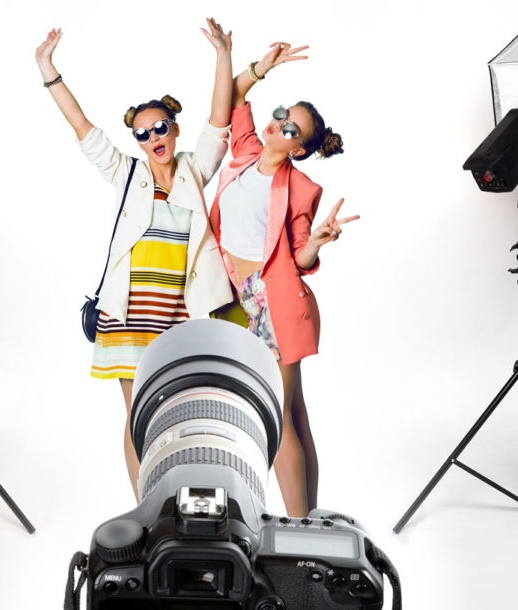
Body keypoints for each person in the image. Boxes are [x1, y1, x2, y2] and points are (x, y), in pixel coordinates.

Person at [35, 19, 235, 500]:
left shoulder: (194, 170)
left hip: (180, 314)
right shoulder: (127, 174)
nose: (153, 138)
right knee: (139, 415)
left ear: (173, 127)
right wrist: (48, 68)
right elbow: (83, 128)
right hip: (127, 316)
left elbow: (219, 121)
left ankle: (184, 503)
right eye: (143, 134)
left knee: (185, 412)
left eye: (160, 127)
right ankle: (148, 505)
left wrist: (223, 55)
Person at [209, 42, 359, 517]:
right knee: (292, 415)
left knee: (276, 420)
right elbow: (233, 97)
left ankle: (299, 527)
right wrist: (255, 66)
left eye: (290, 127)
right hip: (235, 295)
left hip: (272, 302)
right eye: (281, 114)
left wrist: (318, 241)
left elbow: (298, 255)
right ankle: (308, 520)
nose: (277, 123)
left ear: (298, 148)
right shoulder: (246, 150)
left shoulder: (301, 187)